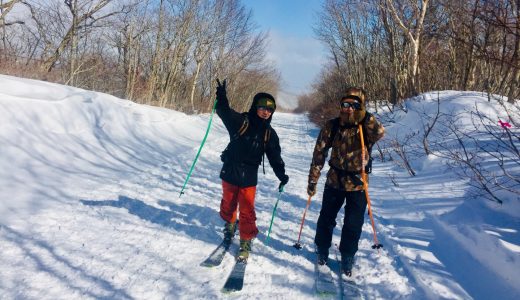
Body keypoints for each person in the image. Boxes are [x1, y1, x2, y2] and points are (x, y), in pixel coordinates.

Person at [307, 87, 385, 276]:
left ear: (361, 106)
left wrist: (365, 116)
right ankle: (323, 249)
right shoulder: (332, 126)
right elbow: (319, 153)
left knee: (353, 223)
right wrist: (313, 180)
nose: (349, 108)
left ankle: (348, 255)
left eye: (354, 105)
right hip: (334, 181)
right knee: (326, 218)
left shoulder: (366, 126)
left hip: (358, 183)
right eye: (345, 104)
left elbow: (380, 133)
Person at [215, 79, 289, 262]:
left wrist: (282, 175)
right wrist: (221, 96)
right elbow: (223, 111)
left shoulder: (269, 134)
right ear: (255, 106)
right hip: (230, 170)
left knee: (247, 211)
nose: (265, 112)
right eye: (262, 107)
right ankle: (231, 224)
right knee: (228, 204)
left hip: (249, 176)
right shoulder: (241, 121)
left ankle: (245, 240)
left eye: (269, 109)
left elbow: (275, 157)